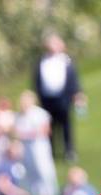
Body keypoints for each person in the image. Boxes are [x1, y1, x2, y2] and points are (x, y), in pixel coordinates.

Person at [33, 33, 86, 161]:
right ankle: (51, 152)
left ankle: (69, 150)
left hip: (64, 98)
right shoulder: (41, 61)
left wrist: (78, 95)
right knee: (49, 126)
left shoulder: (66, 60)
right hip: (46, 99)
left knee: (66, 125)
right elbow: (37, 80)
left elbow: (74, 80)